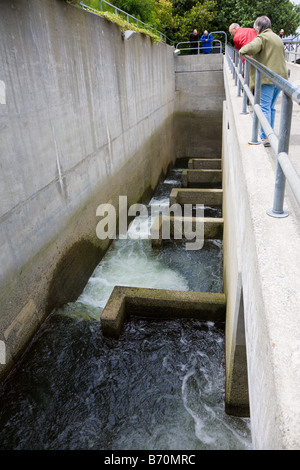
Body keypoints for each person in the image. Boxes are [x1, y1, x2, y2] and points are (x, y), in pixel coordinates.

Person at [239, 16, 288, 147]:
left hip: (267, 79)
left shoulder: (262, 38)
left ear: (258, 27)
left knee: (264, 108)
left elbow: (250, 47)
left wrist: (242, 51)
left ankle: (265, 136)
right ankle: (269, 134)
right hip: (280, 78)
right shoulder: (277, 38)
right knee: (271, 107)